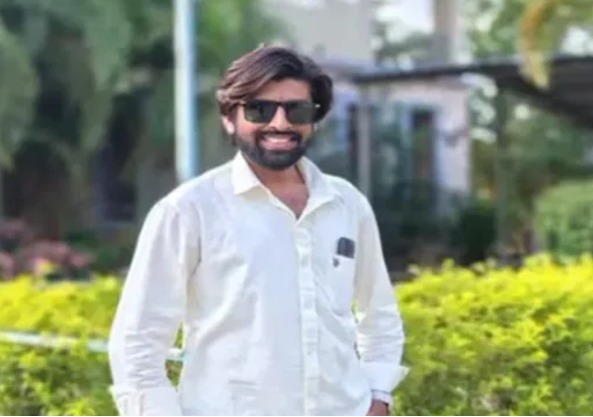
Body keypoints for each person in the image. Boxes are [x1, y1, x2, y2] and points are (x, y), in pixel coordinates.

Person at [108, 45, 408, 416]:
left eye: (297, 110)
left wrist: (378, 396)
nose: (280, 123)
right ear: (229, 118)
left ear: (313, 120)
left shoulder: (347, 204)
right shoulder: (188, 211)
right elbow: (137, 342)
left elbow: (379, 314)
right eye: (259, 110)